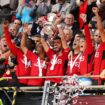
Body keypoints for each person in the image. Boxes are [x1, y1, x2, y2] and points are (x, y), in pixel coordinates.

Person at [92, 7, 105, 84]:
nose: (99, 36)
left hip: (102, 77)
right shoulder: (98, 46)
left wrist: (96, 14)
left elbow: (100, 29)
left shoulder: (104, 44)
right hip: (95, 77)